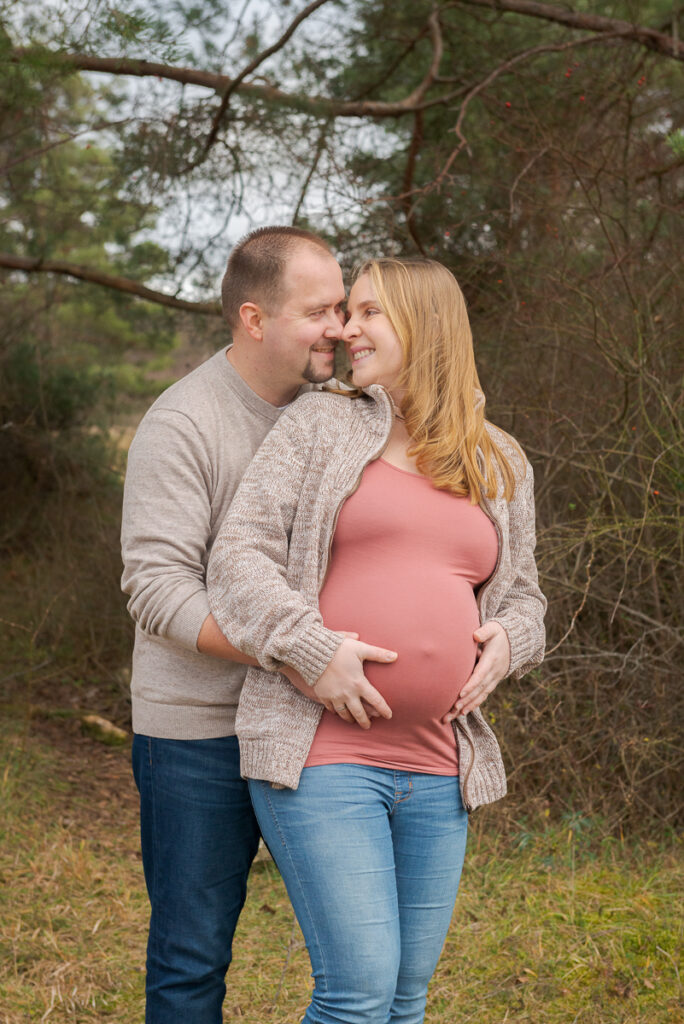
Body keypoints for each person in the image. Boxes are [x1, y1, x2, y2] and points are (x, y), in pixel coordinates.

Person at [207, 257, 547, 1024]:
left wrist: (511, 640)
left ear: (424, 327)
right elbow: (238, 554)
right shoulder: (321, 424)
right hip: (324, 753)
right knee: (357, 994)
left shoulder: (498, 458)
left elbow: (525, 594)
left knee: (403, 999)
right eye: (347, 313)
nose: (346, 330)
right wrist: (310, 648)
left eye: (368, 314)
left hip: (438, 763)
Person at [120, 225, 396, 1023]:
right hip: (199, 735)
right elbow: (158, 589)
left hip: (314, 725)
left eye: (345, 307)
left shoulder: (342, 415)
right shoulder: (184, 424)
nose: (342, 329)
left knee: (357, 957)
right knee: (192, 951)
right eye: (321, 311)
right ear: (253, 319)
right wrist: (296, 654)